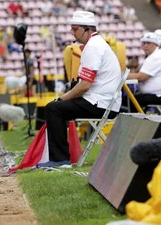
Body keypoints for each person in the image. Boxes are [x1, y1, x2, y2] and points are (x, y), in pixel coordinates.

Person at [43, 10, 122, 168]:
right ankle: (60, 158)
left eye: (75, 29)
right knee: (58, 106)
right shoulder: (98, 44)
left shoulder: (92, 47)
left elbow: (85, 85)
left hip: (99, 104)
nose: (72, 33)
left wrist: (62, 98)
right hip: (103, 102)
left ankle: (60, 160)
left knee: (53, 108)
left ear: (87, 29)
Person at [127, 32, 161, 112]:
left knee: (132, 100)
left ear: (156, 44)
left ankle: (137, 123)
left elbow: (141, 77)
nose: (145, 45)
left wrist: (122, 75)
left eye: (148, 43)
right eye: (143, 43)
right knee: (133, 98)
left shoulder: (156, 57)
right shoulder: (156, 55)